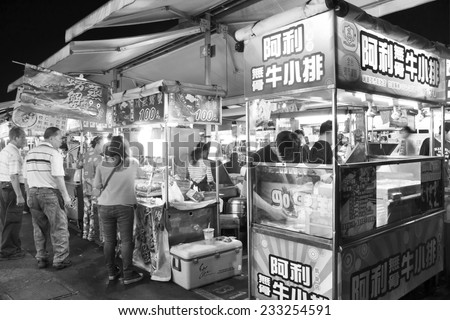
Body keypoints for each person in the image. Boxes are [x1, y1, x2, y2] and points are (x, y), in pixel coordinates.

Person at [93, 135, 145, 284]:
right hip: (125, 207)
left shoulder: (101, 165)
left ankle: (111, 272)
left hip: (104, 206)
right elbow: (142, 178)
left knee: (109, 241)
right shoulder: (133, 163)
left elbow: (96, 188)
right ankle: (128, 274)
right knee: (126, 241)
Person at [23, 127, 72, 269]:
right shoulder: (53, 153)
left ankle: (41, 258)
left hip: (33, 193)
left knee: (39, 228)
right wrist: (66, 196)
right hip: (49, 194)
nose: (61, 141)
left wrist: (28, 195)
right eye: (60, 138)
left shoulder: (30, 153)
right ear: (51, 138)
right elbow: (58, 177)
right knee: (59, 226)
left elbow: (26, 178)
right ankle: (60, 259)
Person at [0, 127, 27, 260]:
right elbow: (14, 175)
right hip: (11, 188)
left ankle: (12, 247)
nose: (25, 140)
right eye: (23, 137)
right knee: (13, 219)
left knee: (6, 219)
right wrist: (19, 195)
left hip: (4, 187)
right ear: (15, 138)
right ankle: (8, 251)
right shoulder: (14, 153)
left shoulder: (5, 150)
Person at [79, 136, 104, 242]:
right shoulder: (99, 158)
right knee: (94, 212)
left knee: (86, 210)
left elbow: (78, 165)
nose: (103, 147)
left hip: (85, 188)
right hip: (95, 189)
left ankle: (85, 233)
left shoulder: (84, 155)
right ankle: (92, 235)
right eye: (102, 145)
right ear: (98, 144)